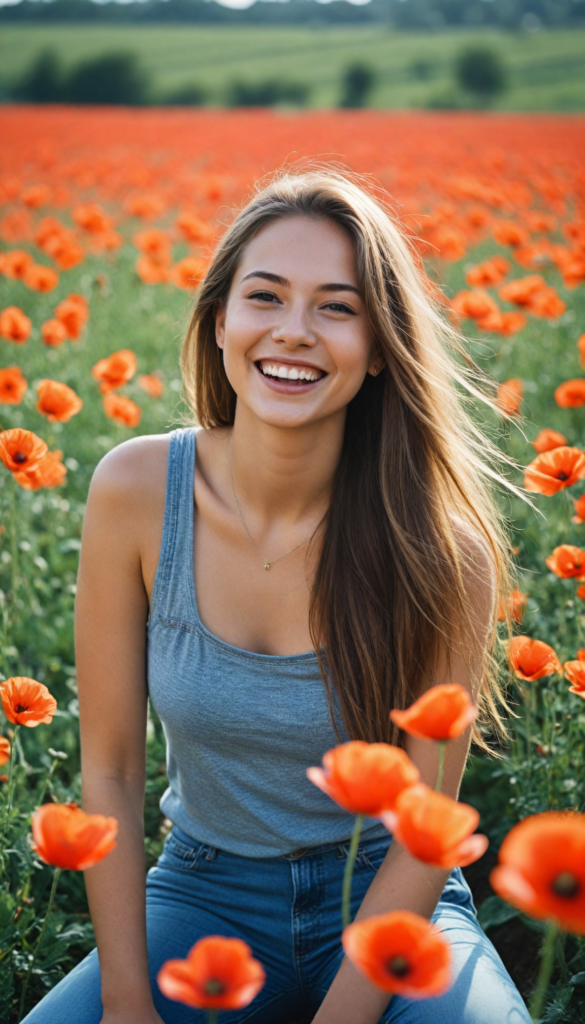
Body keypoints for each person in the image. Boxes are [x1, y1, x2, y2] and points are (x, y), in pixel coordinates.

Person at [24, 170, 531, 1024]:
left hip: (386, 901)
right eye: (265, 296)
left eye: (337, 307)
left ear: (378, 348)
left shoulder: (442, 549)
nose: (293, 333)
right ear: (220, 319)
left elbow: (424, 819)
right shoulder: (138, 492)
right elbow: (107, 770)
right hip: (201, 895)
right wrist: (124, 1003)